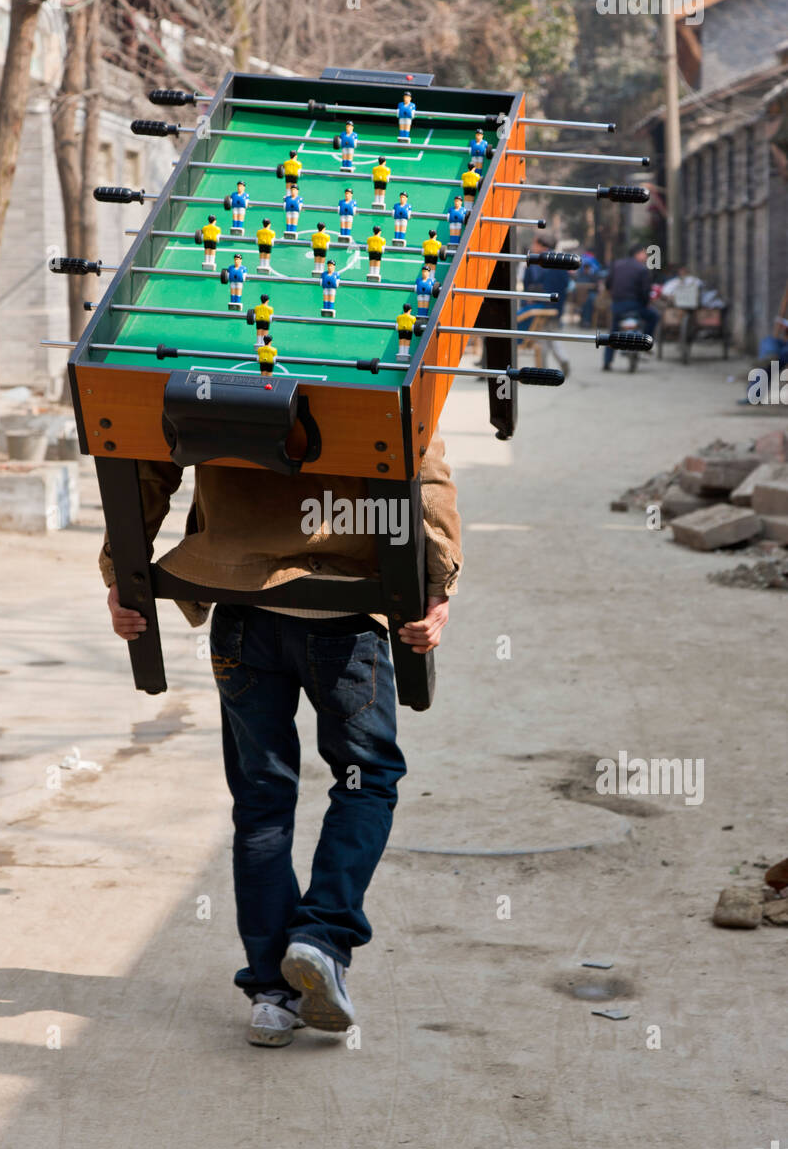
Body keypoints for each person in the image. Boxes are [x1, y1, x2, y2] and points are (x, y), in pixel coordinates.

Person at [102, 440, 462, 1048]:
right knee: (365, 781)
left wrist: (124, 573)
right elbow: (423, 472)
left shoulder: (204, 349)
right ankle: (320, 936)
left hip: (245, 611)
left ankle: (272, 994)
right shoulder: (381, 345)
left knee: (262, 800)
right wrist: (438, 580)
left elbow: (141, 463)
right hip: (344, 615)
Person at [515, 236, 571, 378]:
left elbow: (528, 285)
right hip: (554, 307)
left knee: (543, 337)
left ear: (542, 246)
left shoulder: (536, 262)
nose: (533, 246)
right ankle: (560, 361)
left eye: (535, 244)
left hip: (537, 306)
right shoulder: (560, 260)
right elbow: (566, 284)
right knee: (550, 335)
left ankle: (544, 368)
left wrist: (528, 300)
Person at [603, 243, 659, 370]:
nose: (646, 257)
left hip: (617, 306)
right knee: (654, 316)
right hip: (635, 306)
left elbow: (607, 284)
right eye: (644, 253)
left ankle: (607, 361)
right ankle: (646, 343)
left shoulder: (616, 265)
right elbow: (646, 292)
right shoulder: (642, 269)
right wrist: (645, 304)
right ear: (638, 254)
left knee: (613, 333)